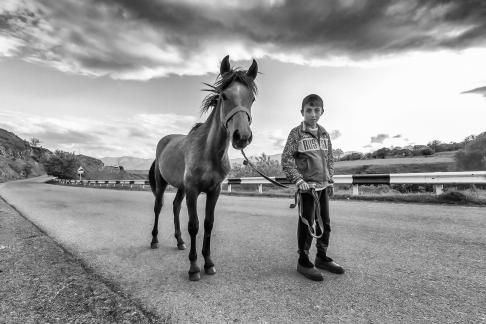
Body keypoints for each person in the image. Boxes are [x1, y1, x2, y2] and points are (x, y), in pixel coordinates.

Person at [281, 94, 344, 281]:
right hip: (307, 188)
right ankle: (303, 260)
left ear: (322, 111)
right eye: (309, 110)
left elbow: (329, 159)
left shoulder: (324, 133)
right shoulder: (296, 133)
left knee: (325, 222)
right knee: (307, 224)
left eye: (317, 110)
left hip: (323, 187)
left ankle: (322, 257)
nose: (313, 114)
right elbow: (286, 160)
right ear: (302, 112)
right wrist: (299, 180)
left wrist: (330, 180)